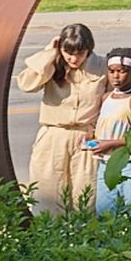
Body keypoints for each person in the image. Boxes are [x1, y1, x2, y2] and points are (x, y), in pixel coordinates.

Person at [16, 23, 105, 214]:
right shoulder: (53, 64)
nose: (74, 59)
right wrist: (49, 53)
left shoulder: (102, 67)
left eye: (80, 53)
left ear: (89, 49)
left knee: (86, 197)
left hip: (86, 137)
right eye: (68, 53)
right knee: (47, 197)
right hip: (53, 136)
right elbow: (26, 84)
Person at [90, 44, 131, 216]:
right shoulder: (106, 97)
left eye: (122, 71)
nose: (116, 76)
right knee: (105, 211)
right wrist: (90, 138)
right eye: (111, 71)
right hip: (107, 163)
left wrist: (111, 144)